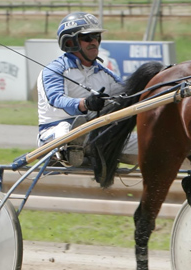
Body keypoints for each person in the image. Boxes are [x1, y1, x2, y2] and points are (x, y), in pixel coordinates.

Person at [37, 12, 136, 165]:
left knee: (146, 140)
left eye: (96, 37)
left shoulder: (105, 74)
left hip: (96, 135)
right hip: (53, 134)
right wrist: (85, 104)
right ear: (70, 42)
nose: (94, 42)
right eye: (87, 38)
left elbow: (129, 97)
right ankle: (68, 154)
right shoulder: (53, 71)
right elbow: (56, 102)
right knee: (65, 128)